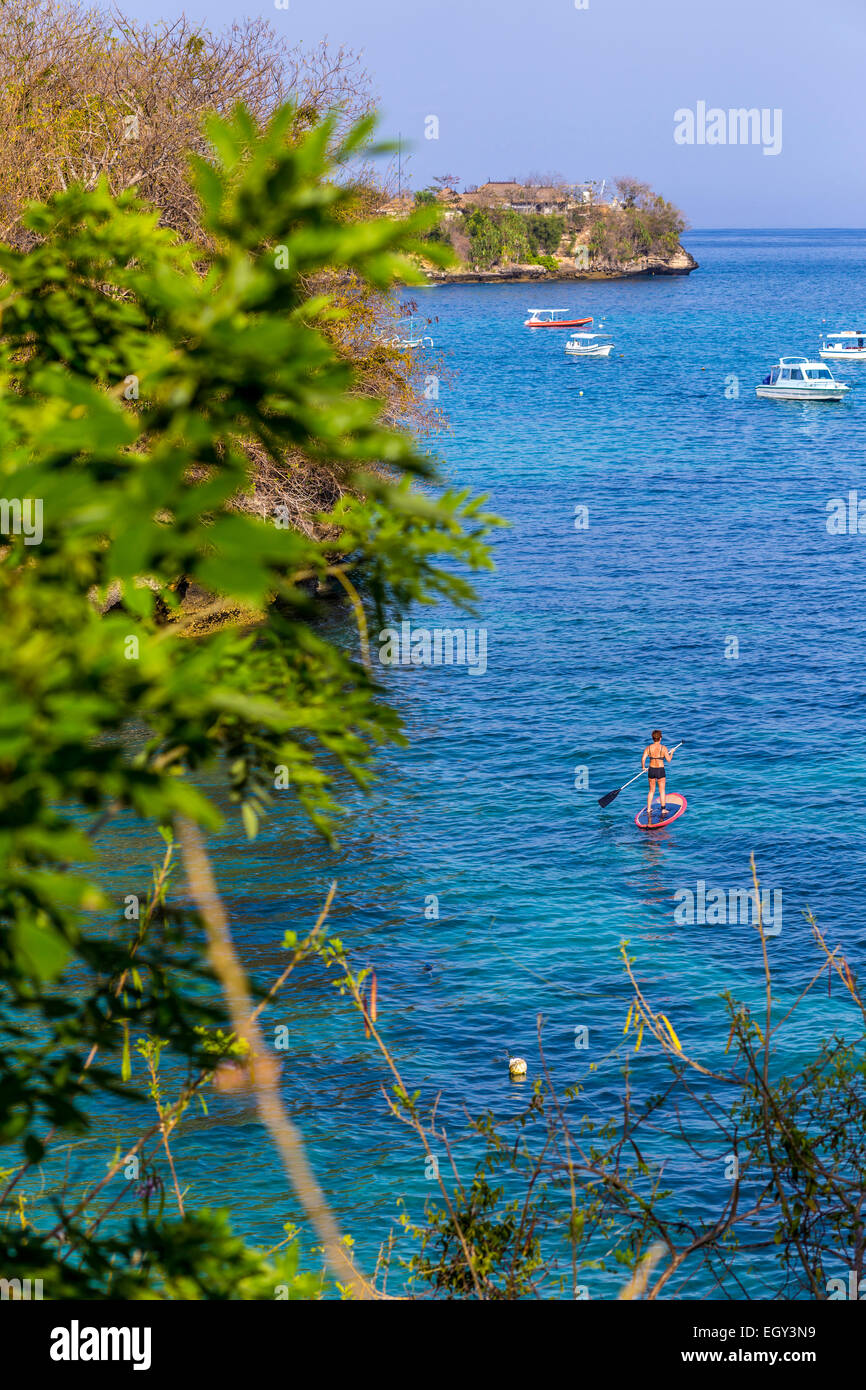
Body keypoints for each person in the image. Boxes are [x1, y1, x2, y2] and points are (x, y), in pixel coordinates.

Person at [642, 730, 674, 818]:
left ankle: (648, 808)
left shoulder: (648, 748)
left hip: (651, 770)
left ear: (653, 738)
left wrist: (643, 767)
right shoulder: (663, 748)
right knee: (662, 790)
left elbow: (643, 758)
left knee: (651, 790)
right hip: (660, 770)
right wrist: (672, 753)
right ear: (660, 738)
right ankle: (663, 809)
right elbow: (669, 760)